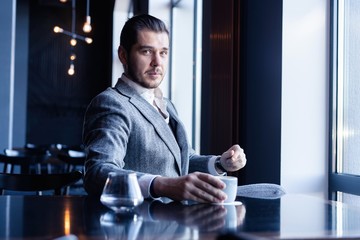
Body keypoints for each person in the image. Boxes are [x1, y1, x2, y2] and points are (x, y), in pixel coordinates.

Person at [83, 14, 247, 203]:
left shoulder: (166, 104)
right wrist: (162, 185)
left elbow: (180, 162)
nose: (157, 62)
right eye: (146, 52)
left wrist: (219, 163)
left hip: (174, 225)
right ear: (123, 55)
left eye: (163, 53)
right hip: (137, 226)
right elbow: (98, 173)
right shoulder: (112, 103)